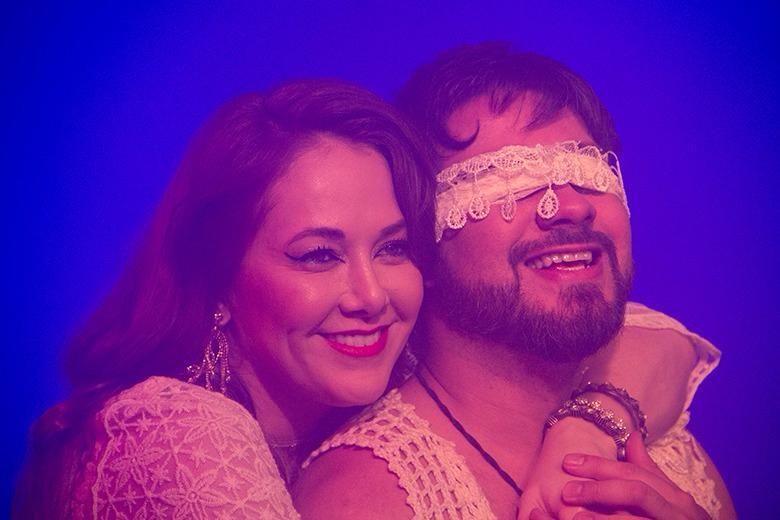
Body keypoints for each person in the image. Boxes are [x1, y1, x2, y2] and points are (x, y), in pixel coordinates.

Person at [294, 43, 736, 519]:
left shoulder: (662, 442)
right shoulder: (366, 498)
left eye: (587, 173)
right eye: (512, 182)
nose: (572, 206)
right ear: (421, 243)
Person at [13, 79, 436, 518]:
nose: (371, 296)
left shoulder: (381, 421)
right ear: (217, 281)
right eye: (318, 255)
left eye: (393, 248)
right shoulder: (176, 433)